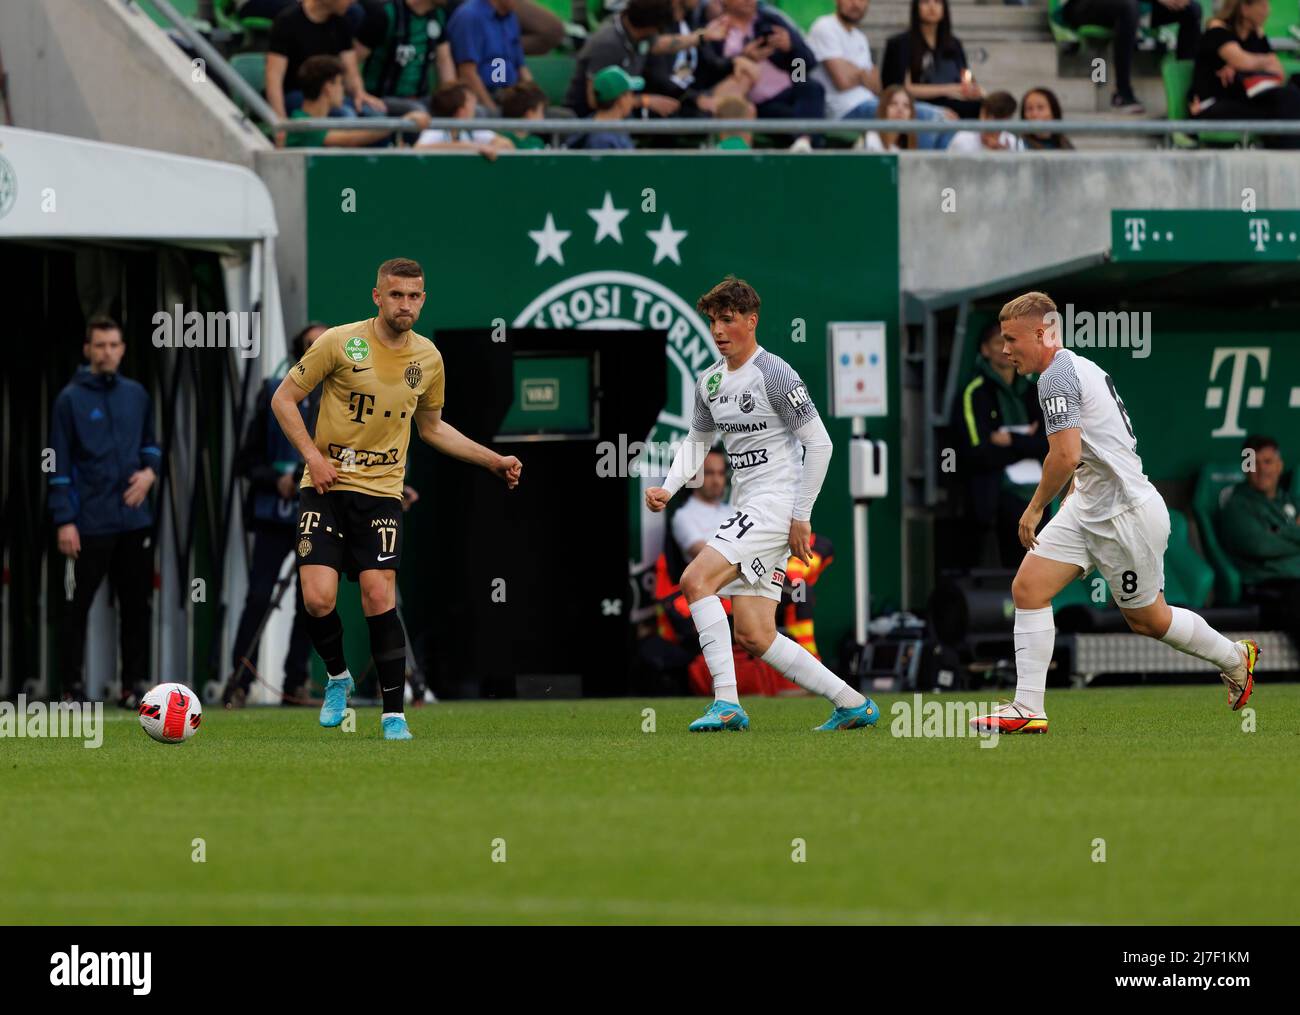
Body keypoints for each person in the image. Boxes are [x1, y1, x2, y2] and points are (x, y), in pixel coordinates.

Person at [970, 292, 1259, 735]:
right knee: (1028, 588)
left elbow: (1065, 455)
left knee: (1148, 620)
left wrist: (1034, 508)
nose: (1005, 349)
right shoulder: (1075, 368)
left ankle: (1235, 657)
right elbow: (1086, 450)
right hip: (1087, 506)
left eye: (1012, 339)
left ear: (1043, 333)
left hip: (1126, 516)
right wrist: (1072, 492)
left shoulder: (1056, 376)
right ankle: (1028, 707)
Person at [271, 258, 522, 739]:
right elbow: (284, 399)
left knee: (378, 595)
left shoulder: (428, 359)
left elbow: (432, 428)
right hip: (324, 487)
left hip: (381, 494)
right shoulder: (339, 342)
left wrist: (493, 460)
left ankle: (393, 714)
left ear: (423, 299)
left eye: (414, 296)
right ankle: (338, 678)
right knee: (319, 599)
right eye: (396, 295)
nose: (405, 304)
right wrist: (312, 456)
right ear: (377, 296)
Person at [645, 276, 879, 732]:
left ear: (751, 322)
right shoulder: (710, 381)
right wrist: (669, 488)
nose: (717, 330)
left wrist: (801, 516)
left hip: (774, 506)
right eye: (713, 321)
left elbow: (822, 444)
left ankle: (727, 704)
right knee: (755, 633)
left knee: (695, 580)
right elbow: (697, 441)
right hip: (747, 505)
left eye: (727, 320)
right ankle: (852, 703)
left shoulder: (775, 373)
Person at [49, 315, 161, 707]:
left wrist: (149, 474)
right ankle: (71, 688)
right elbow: (56, 462)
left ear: (123, 349)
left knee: (136, 607)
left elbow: (151, 444)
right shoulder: (69, 399)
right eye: (100, 345)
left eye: (114, 345)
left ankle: (133, 687)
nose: (107, 352)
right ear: (87, 350)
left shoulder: (137, 394)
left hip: (134, 521)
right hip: (88, 522)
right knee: (75, 607)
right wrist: (64, 518)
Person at [226, 323, 327, 708]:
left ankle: (296, 681)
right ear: (300, 353)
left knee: (312, 600)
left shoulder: (343, 395)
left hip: (316, 515)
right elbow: (245, 461)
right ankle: (238, 680)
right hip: (273, 515)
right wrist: (278, 479)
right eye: (312, 347)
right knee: (258, 596)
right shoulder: (274, 392)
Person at [958, 322, 1048, 568]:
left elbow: (1049, 444)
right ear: (985, 350)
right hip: (995, 502)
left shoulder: (1035, 391)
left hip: (1038, 500)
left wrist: (1010, 439)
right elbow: (978, 453)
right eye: (998, 342)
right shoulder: (974, 393)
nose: (1006, 349)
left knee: (1040, 572)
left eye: (1011, 341)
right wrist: (1026, 443)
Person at [808, 0, 956, 149]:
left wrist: (853, 72)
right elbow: (842, 81)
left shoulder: (860, 37)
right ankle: (918, 169)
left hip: (871, 102)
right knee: (930, 117)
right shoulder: (825, 27)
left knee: (947, 118)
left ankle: (935, 170)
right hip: (844, 110)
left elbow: (876, 86)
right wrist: (862, 74)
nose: (856, 4)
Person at [704, 0, 825, 149]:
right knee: (804, 119)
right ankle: (806, 142)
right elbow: (709, 77)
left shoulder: (772, 19)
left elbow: (806, 63)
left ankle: (804, 142)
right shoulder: (714, 30)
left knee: (811, 86)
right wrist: (743, 58)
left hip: (791, 89)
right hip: (756, 103)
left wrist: (792, 48)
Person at [1217, 435, 1300, 649]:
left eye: (1268, 462)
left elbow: (1273, 541)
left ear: (1279, 466)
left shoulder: (1288, 500)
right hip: (1266, 588)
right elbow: (1260, 545)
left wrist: (1281, 533)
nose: (1262, 469)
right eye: (1254, 463)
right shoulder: (1237, 504)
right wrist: (1295, 532)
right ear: (1246, 467)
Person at [1191, 0, 1300, 149]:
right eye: (1262, 5)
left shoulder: (1256, 36)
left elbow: (1279, 72)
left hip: (1242, 100)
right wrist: (1261, 62)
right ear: (1244, 8)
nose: (1267, 11)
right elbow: (1242, 61)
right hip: (1212, 106)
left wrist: (1246, 65)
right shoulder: (1217, 32)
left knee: (1289, 96)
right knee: (1284, 102)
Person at [1062, 0, 1202, 113]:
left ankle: (1189, 98)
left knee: (1191, 9)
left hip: (1135, 6)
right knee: (1128, 6)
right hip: (1080, 6)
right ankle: (1122, 93)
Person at [267, 0, 384, 120]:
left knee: (375, 114)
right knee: (345, 115)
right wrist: (280, 121)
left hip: (331, 93)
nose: (353, 1)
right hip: (297, 94)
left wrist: (359, 93)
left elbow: (350, 69)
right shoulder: (287, 21)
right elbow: (274, 78)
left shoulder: (341, 22)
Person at [564, 0, 679, 118]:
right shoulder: (607, 43)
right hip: (592, 119)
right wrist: (645, 101)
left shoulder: (634, 30)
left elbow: (660, 45)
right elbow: (595, 100)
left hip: (622, 108)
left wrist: (696, 38)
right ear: (652, 28)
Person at [286, 55, 429, 147]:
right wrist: (402, 122)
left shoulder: (319, 122)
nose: (343, 90)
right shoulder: (302, 123)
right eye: (341, 83)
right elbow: (350, 139)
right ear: (328, 88)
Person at [882, 0, 983, 120]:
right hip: (919, 106)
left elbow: (966, 79)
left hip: (956, 103)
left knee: (987, 106)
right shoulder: (900, 44)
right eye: (925, 2)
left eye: (937, 2)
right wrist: (949, 89)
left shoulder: (954, 44)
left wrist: (974, 91)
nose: (932, 6)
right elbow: (902, 89)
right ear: (916, 7)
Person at [356, 0, 457, 114]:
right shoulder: (386, 13)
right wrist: (360, 93)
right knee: (419, 112)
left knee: (475, 112)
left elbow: (444, 60)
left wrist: (454, 99)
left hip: (421, 98)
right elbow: (354, 60)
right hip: (383, 99)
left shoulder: (438, 15)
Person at [447, 0, 534, 115]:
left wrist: (535, 98)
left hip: (509, 95)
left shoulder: (511, 16)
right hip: (481, 97)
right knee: (484, 114)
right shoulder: (469, 16)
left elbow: (521, 67)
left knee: (553, 117)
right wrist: (492, 110)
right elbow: (467, 73)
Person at [415, 82, 515, 155]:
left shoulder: (473, 132)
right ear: (461, 112)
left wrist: (492, 148)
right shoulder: (437, 131)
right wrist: (473, 147)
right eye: (470, 102)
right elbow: (419, 149)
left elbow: (507, 144)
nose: (475, 107)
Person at [671, 449, 733, 561]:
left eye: (721, 473)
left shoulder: (731, 510)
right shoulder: (683, 516)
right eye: (709, 473)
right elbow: (710, 559)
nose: (716, 480)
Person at [566, 66, 643, 148]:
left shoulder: (593, 124)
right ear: (621, 100)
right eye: (631, 94)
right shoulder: (602, 141)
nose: (632, 99)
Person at [946, 90, 1024, 151]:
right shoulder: (962, 139)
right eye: (986, 116)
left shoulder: (1014, 144)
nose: (988, 123)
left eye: (996, 119)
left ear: (1007, 120)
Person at [861, 84, 915, 151]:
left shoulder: (907, 144)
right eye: (894, 103)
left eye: (906, 105)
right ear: (883, 109)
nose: (900, 109)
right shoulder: (869, 138)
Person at [497, 81, 549, 148]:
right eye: (542, 112)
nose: (543, 117)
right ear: (529, 113)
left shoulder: (537, 142)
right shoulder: (499, 139)